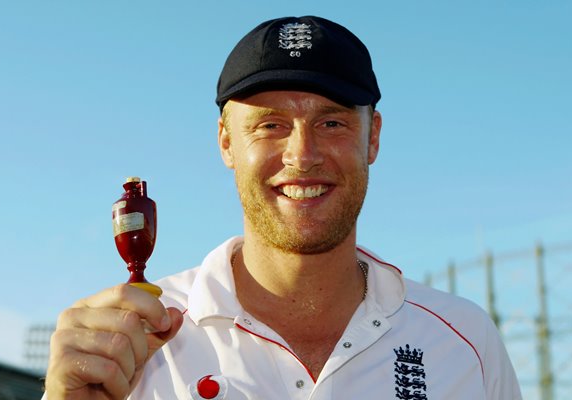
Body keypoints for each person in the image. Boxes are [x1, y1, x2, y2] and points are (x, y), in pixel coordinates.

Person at [43, 16, 522, 400]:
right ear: (227, 143)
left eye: (332, 122)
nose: (303, 155)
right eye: (270, 126)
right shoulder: (133, 346)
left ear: (372, 137)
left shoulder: (464, 341)